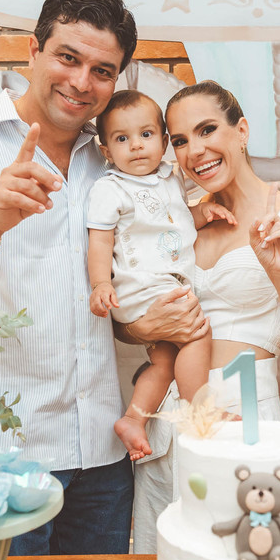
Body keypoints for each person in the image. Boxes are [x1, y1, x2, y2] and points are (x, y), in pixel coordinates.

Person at [0, 0, 205, 555]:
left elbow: (95, 300)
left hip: (103, 461)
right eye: (68, 57)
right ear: (33, 50)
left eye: (102, 71)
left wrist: (140, 326)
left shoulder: (113, 161)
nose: (82, 82)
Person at [128, 80, 280, 554]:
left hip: (243, 415)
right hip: (170, 416)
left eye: (207, 130)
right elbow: (133, 313)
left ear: (241, 131)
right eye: (180, 140)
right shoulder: (179, 223)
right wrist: (140, 327)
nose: (195, 151)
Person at [86, 90, 236, 461]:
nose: (136, 145)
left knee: (165, 360)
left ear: (164, 142)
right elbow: (100, 241)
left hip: (162, 285)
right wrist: (100, 283)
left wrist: (203, 214)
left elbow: (176, 221)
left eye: (146, 134)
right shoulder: (111, 189)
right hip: (143, 286)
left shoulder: (170, 179)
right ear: (107, 151)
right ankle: (199, 410)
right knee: (197, 333)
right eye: (122, 138)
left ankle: (133, 419)